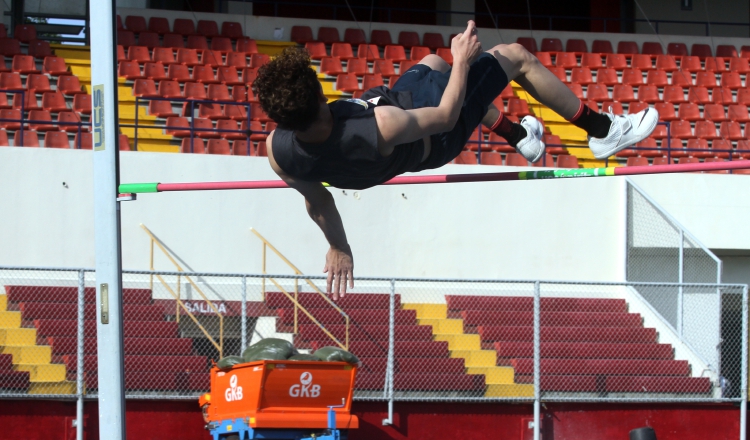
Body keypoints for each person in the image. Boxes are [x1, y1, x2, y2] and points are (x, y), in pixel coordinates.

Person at [253, 21, 657, 299]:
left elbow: (318, 200)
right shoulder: (380, 126)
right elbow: (446, 115)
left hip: (404, 107)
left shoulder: (280, 152)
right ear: (323, 98)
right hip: (437, 130)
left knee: (433, 64)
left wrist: (338, 246)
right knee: (513, 56)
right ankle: (602, 132)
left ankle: (519, 136)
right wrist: (463, 58)